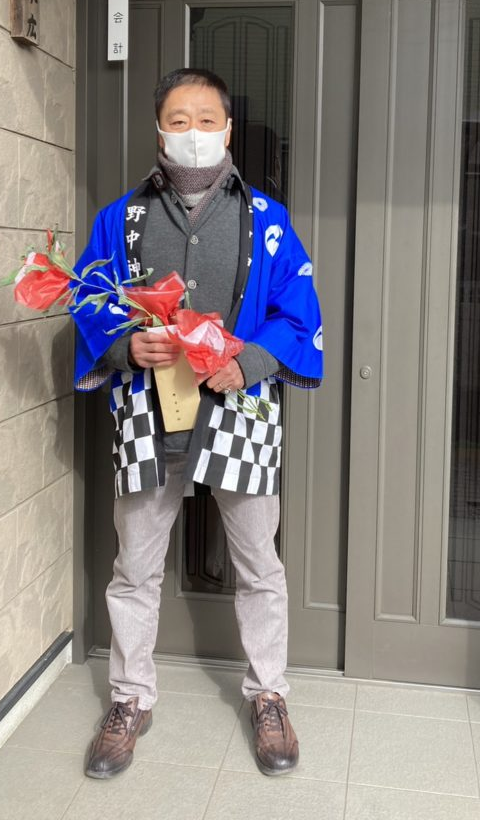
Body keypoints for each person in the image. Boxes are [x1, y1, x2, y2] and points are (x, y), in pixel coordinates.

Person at [72, 68, 323, 780]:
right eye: (178, 121)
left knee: (259, 565)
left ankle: (268, 694)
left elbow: (297, 310)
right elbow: (88, 298)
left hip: (238, 411)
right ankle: (130, 699)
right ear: (159, 131)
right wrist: (126, 346)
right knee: (134, 567)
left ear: (228, 128)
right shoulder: (120, 219)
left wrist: (253, 362)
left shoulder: (266, 220)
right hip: (148, 413)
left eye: (206, 119)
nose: (193, 133)